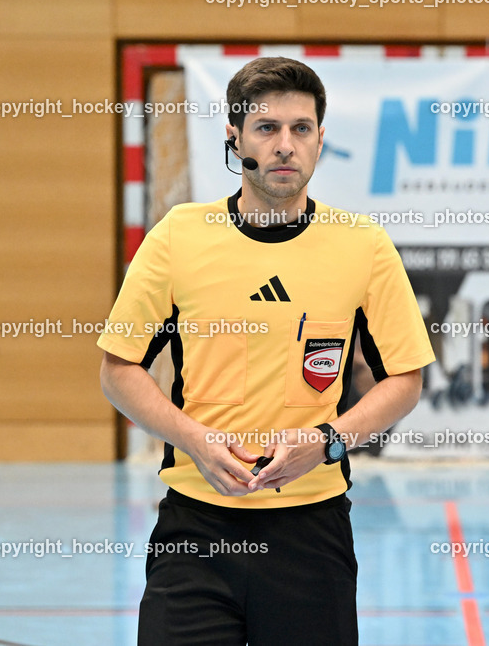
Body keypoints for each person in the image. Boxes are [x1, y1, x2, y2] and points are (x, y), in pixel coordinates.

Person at [98, 57, 434, 645]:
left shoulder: (363, 245)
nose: (285, 145)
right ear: (234, 137)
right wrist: (195, 440)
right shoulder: (179, 236)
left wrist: (329, 441)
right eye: (266, 128)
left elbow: (403, 380)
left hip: (312, 533)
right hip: (196, 532)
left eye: (301, 129)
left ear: (321, 140)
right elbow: (119, 370)